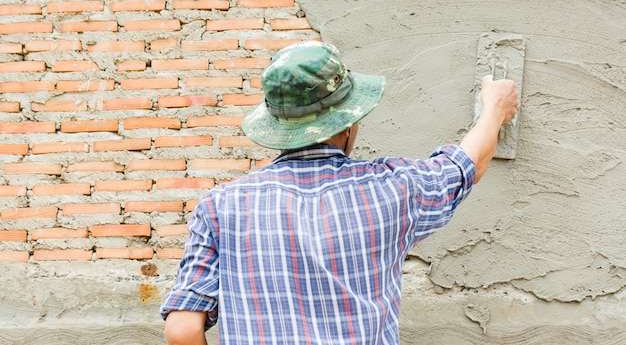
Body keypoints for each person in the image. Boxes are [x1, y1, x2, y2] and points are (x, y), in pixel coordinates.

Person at [160, 40, 518, 344]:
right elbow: (465, 166)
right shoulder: (391, 187)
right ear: (348, 121)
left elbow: (181, 330)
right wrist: (494, 110)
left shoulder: (220, 206)